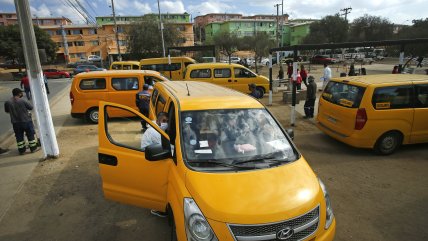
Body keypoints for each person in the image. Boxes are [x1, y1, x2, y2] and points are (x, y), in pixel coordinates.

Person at [4, 88, 38, 154]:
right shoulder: (23, 100)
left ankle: (22, 150)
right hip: (26, 121)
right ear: (19, 93)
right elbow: (30, 107)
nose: (22, 94)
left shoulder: (7, 102)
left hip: (15, 123)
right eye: (21, 93)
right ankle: (33, 148)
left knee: (19, 136)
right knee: (30, 135)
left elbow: (7, 111)